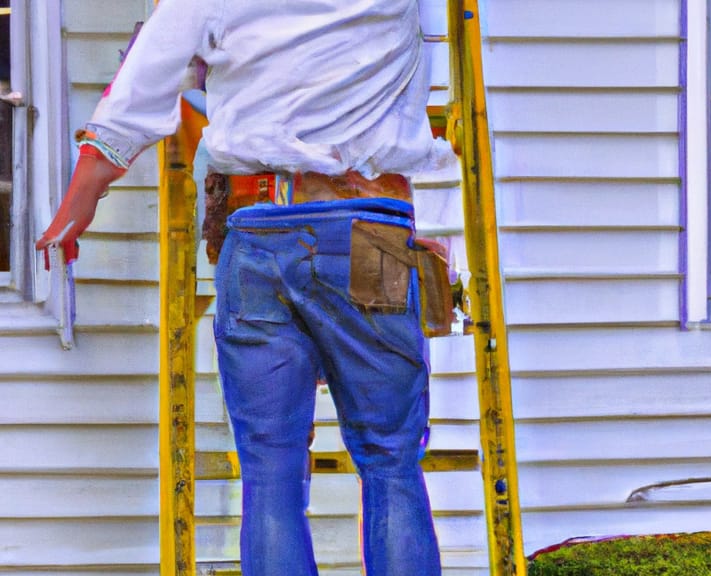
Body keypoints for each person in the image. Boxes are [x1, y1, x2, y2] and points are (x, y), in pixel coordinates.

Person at [35, 1, 455, 575]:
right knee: (390, 460)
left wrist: (77, 204)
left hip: (258, 234)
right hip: (367, 231)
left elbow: (141, 83)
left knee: (270, 470)